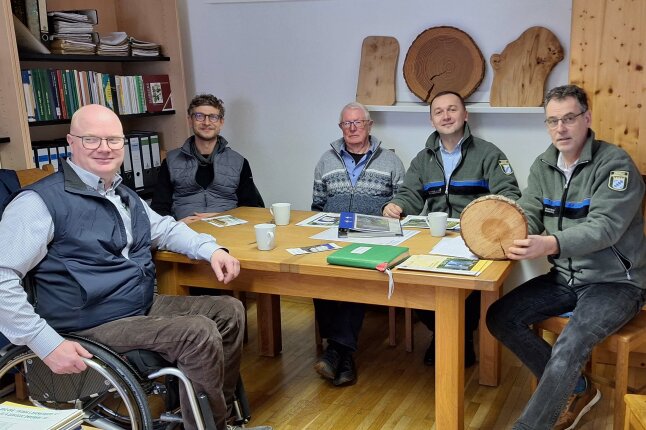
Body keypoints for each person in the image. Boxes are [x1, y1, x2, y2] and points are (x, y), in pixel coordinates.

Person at [0, 104, 271, 430]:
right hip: (87, 321)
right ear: (71, 142)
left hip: (134, 307)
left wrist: (212, 250)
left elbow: (166, 229)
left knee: (228, 310)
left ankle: (216, 420)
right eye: (91, 139)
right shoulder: (38, 203)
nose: (105, 148)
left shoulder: (121, 194)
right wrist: (46, 343)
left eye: (113, 140)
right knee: (197, 332)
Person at [486, 84, 646, 430]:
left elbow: (605, 228)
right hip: (565, 278)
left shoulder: (615, 164)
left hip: (615, 284)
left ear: (587, 119)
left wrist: (549, 244)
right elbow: (528, 213)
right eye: (552, 121)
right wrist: (504, 228)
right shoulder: (543, 165)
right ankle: (576, 387)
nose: (560, 128)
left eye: (569, 119)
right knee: (500, 316)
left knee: (570, 344)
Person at [382, 91, 521, 367]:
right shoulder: (423, 159)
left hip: (475, 238)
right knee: (408, 276)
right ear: (431, 120)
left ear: (465, 115)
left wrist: (482, 224)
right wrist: (395, 205)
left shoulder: (489, 154)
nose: (446, 116)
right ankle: (442, 332)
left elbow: (509, 195)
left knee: (463, 284)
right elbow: (409, 194)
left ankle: (462, 339)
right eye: (439, 112)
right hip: (433, 236)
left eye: (452, 110)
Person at [311, 101, 405, 386]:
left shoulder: (391, 161)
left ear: (369, 125)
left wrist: (395, 208)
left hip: (375, 238)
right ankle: (343, 355)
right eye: (346, 124)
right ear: (341, 127)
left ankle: (335, 351)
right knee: (317, 275)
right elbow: (316, 206)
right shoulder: (326, 160)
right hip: (334, 236)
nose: (352, 128)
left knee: (358, 277)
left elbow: (405, 204)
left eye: (358, 123)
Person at [151, 94, 264, 223]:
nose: (206, 122)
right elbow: (158, 210)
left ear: (221, 122)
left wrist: (222, 218)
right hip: (184, 233)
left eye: (213, 117)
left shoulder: (238, 162)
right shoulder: (171, 162)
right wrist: (176, 225)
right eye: (199, 116)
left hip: (228, 231)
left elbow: (252, 210)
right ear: (190, 120)